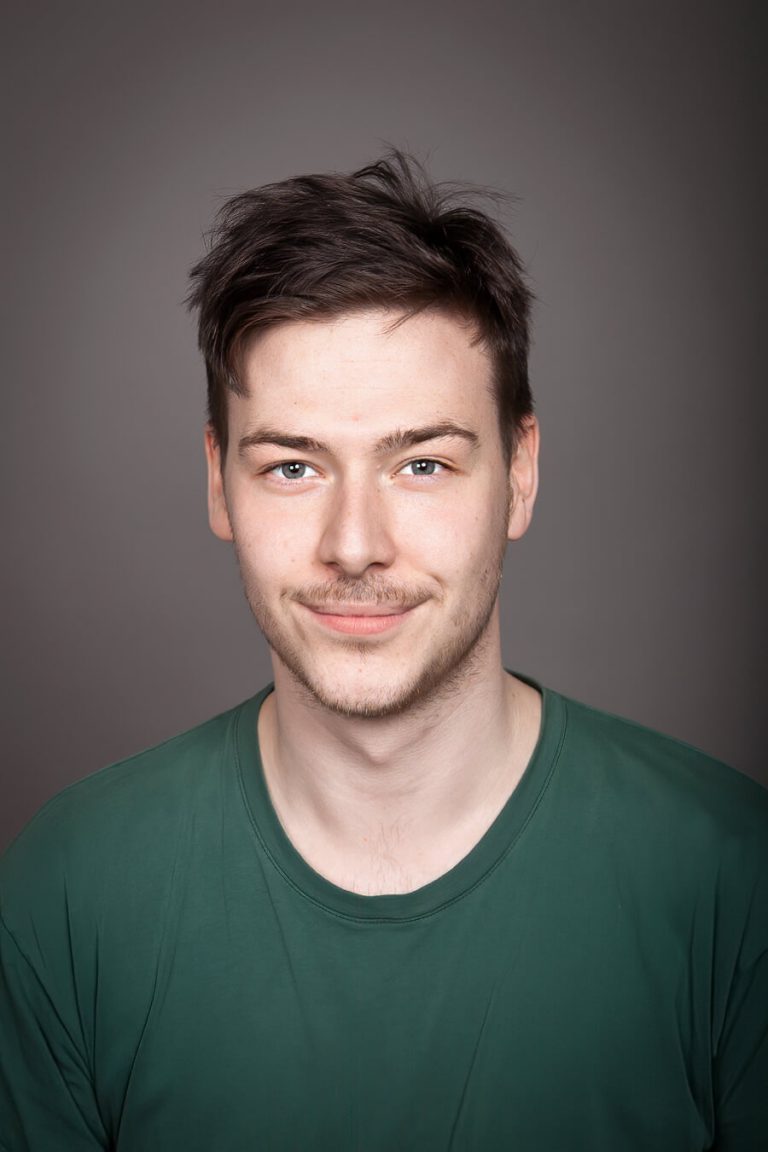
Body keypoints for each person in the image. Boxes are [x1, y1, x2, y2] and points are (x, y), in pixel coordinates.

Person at [1, 152, 766, 1152]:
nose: (354, 543)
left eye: (420, 463)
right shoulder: (69, 892)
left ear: (520, 474)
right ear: (218, 484)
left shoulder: (733, 883)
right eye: (291, 465)